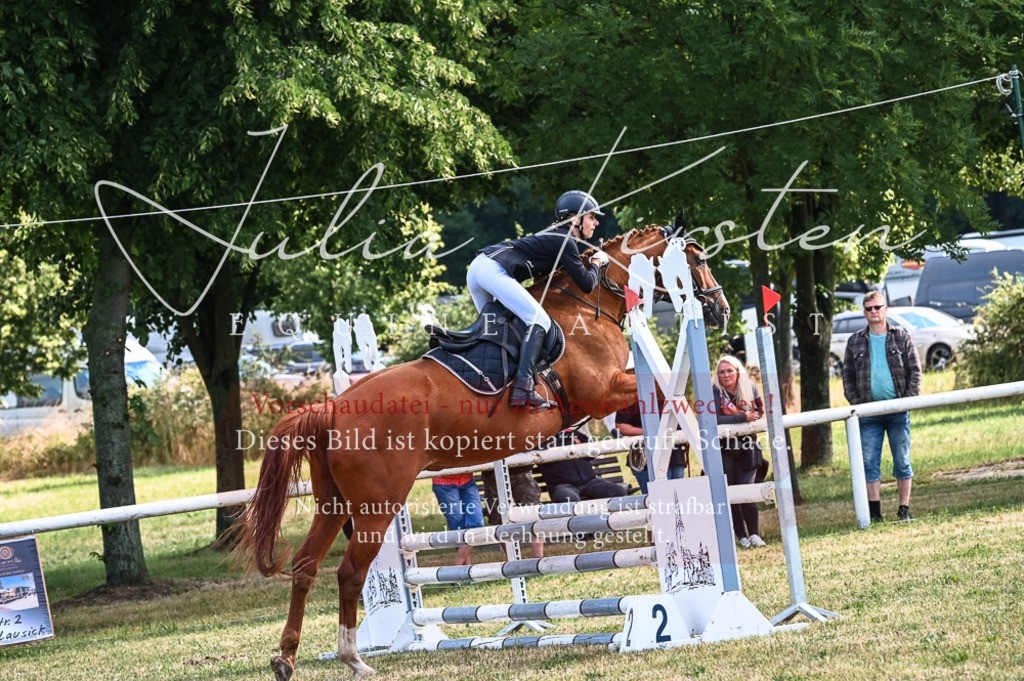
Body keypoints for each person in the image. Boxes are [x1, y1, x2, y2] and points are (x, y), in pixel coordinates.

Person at [468, 190, 609, 409]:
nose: (596, 223)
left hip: (479, 268)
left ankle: (486, 380)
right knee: (539, 321)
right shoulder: (566, 241)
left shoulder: (558, 237)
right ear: (575, 219)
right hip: (492, 269)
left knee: (500, 330)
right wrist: (597, 262)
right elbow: (587, 284)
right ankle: (523, 390)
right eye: (591, 217)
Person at [842, 291, 922, 523]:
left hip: (898, 411)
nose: (874, 311)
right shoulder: (854, 341)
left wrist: (906, 401)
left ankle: (904, 509)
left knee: (902, 460)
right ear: (864, 312)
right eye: (869, 308)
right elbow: (847, 377)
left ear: (885, 309)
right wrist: (857, 404)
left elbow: (915, 371)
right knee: (869, 462)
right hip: (868, 413)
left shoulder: (901, 336)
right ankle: (875, 513)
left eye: (877, 307)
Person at [712, 355, 767, 548]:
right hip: (725, 449)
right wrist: (742, 417)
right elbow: (715, 419)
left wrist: (738, 415)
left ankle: (754, 534)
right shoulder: (714, 391)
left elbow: (759, 413)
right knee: (731, 493)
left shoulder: (750, 386)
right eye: (722, 372)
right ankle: (741, 536)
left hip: (747, 447)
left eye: (729, 371)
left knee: (747, 491)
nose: (726, 375)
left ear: (737, 371)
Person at [614, 399, 689, 494]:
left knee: (677, 497)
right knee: (657, 497)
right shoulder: (631, 397)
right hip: (647, 461)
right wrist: (651, 432)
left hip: (676, 457)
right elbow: (621, 426)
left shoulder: (674, 395)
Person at [537, 429, 627, 503]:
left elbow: (591, 453)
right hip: (563, 486)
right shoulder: (541, 438)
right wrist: (573, 442)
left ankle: (606, 518)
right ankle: (579, 520)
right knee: (569, 498)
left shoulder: (571, 432)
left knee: (619, 491)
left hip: (590, 482)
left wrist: (569, 441)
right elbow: (547, 450)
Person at [480, 465, 545, 558]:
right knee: (498, 518)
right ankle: (513, 559)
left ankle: (539, 558)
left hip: (522, 470)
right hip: (493, 474)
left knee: (533, 513)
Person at [431, 472, 485, 565]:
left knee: (477, 524)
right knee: (458, 528)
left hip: (468, 481)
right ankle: (466, 569)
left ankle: (458, 563)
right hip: (444, 483)